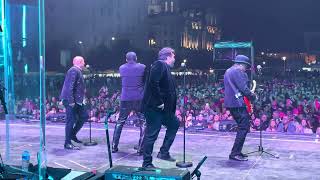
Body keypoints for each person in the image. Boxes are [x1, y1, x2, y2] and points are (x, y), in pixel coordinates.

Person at [141, 47, 179, 168]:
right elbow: (153, 82)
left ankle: (163, 152)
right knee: (152, 133)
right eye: (173, 56)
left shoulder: (165, 68)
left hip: (163, 110)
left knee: (174, 124)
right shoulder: (159, 64)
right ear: (167, 56)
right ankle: (146, 163)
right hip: (154, 108)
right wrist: (159, 101)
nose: (174, 59)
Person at [112, 52, 146, 155]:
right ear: (136, 58)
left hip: (125, 98)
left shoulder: (121, 68)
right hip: (139, 98)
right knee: (143, 122)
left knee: (120, 122)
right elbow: (144, 80)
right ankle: (140, 149)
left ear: (126, 59)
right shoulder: (142, 67)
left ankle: (114, 146)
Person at [224, 55, 257, 161]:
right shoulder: (237, 72)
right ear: (241, 64)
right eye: (245, 66)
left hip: (232, 103)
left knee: (243, 126)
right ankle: (235, 153)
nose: (246, 69)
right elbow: (243, 88)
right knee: (244, 127)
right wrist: (253, 96)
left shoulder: (228, 71)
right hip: (237, 104)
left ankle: (237, 152)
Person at [60, 56, 88, 150]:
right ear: (80, 62)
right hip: (71, 100)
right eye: (83, 61)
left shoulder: (77, 71)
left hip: (77, 100)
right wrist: (71, 101)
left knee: (84, 116)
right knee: (70, 121)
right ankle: (67, 143)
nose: (84, 63)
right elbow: (70, 87)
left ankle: (72, 135)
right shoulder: (74, 70)